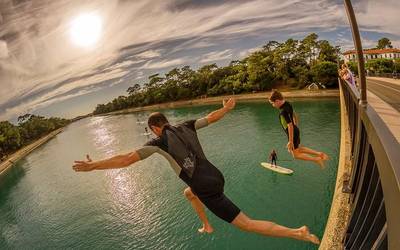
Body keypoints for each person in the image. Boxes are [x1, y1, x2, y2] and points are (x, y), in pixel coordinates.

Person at [72, 98, 320, 245]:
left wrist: (94, 165)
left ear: (154, 129)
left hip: (207, 188)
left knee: (247, 224)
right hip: (216, 176)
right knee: (188, 193)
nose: (151, 134)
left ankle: (297, 232)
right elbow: (212, 117)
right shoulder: (186, 125)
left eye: (150, 130)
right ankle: (207, 225)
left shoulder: (158, 143)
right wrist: (228, 108)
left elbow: (126, 159)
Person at [268, 90, 328, 168]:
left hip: (293, 133)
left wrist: (290, 141)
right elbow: (294, 114)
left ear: (277, 101)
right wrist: (296, 126)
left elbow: (289, 126)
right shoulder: (288, 104)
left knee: (296, 155)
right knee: (298, 149)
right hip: (295, 131)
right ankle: (320, 154)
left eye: (272, 103)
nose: (273, 105)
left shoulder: (283, 112)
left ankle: (317, 159)